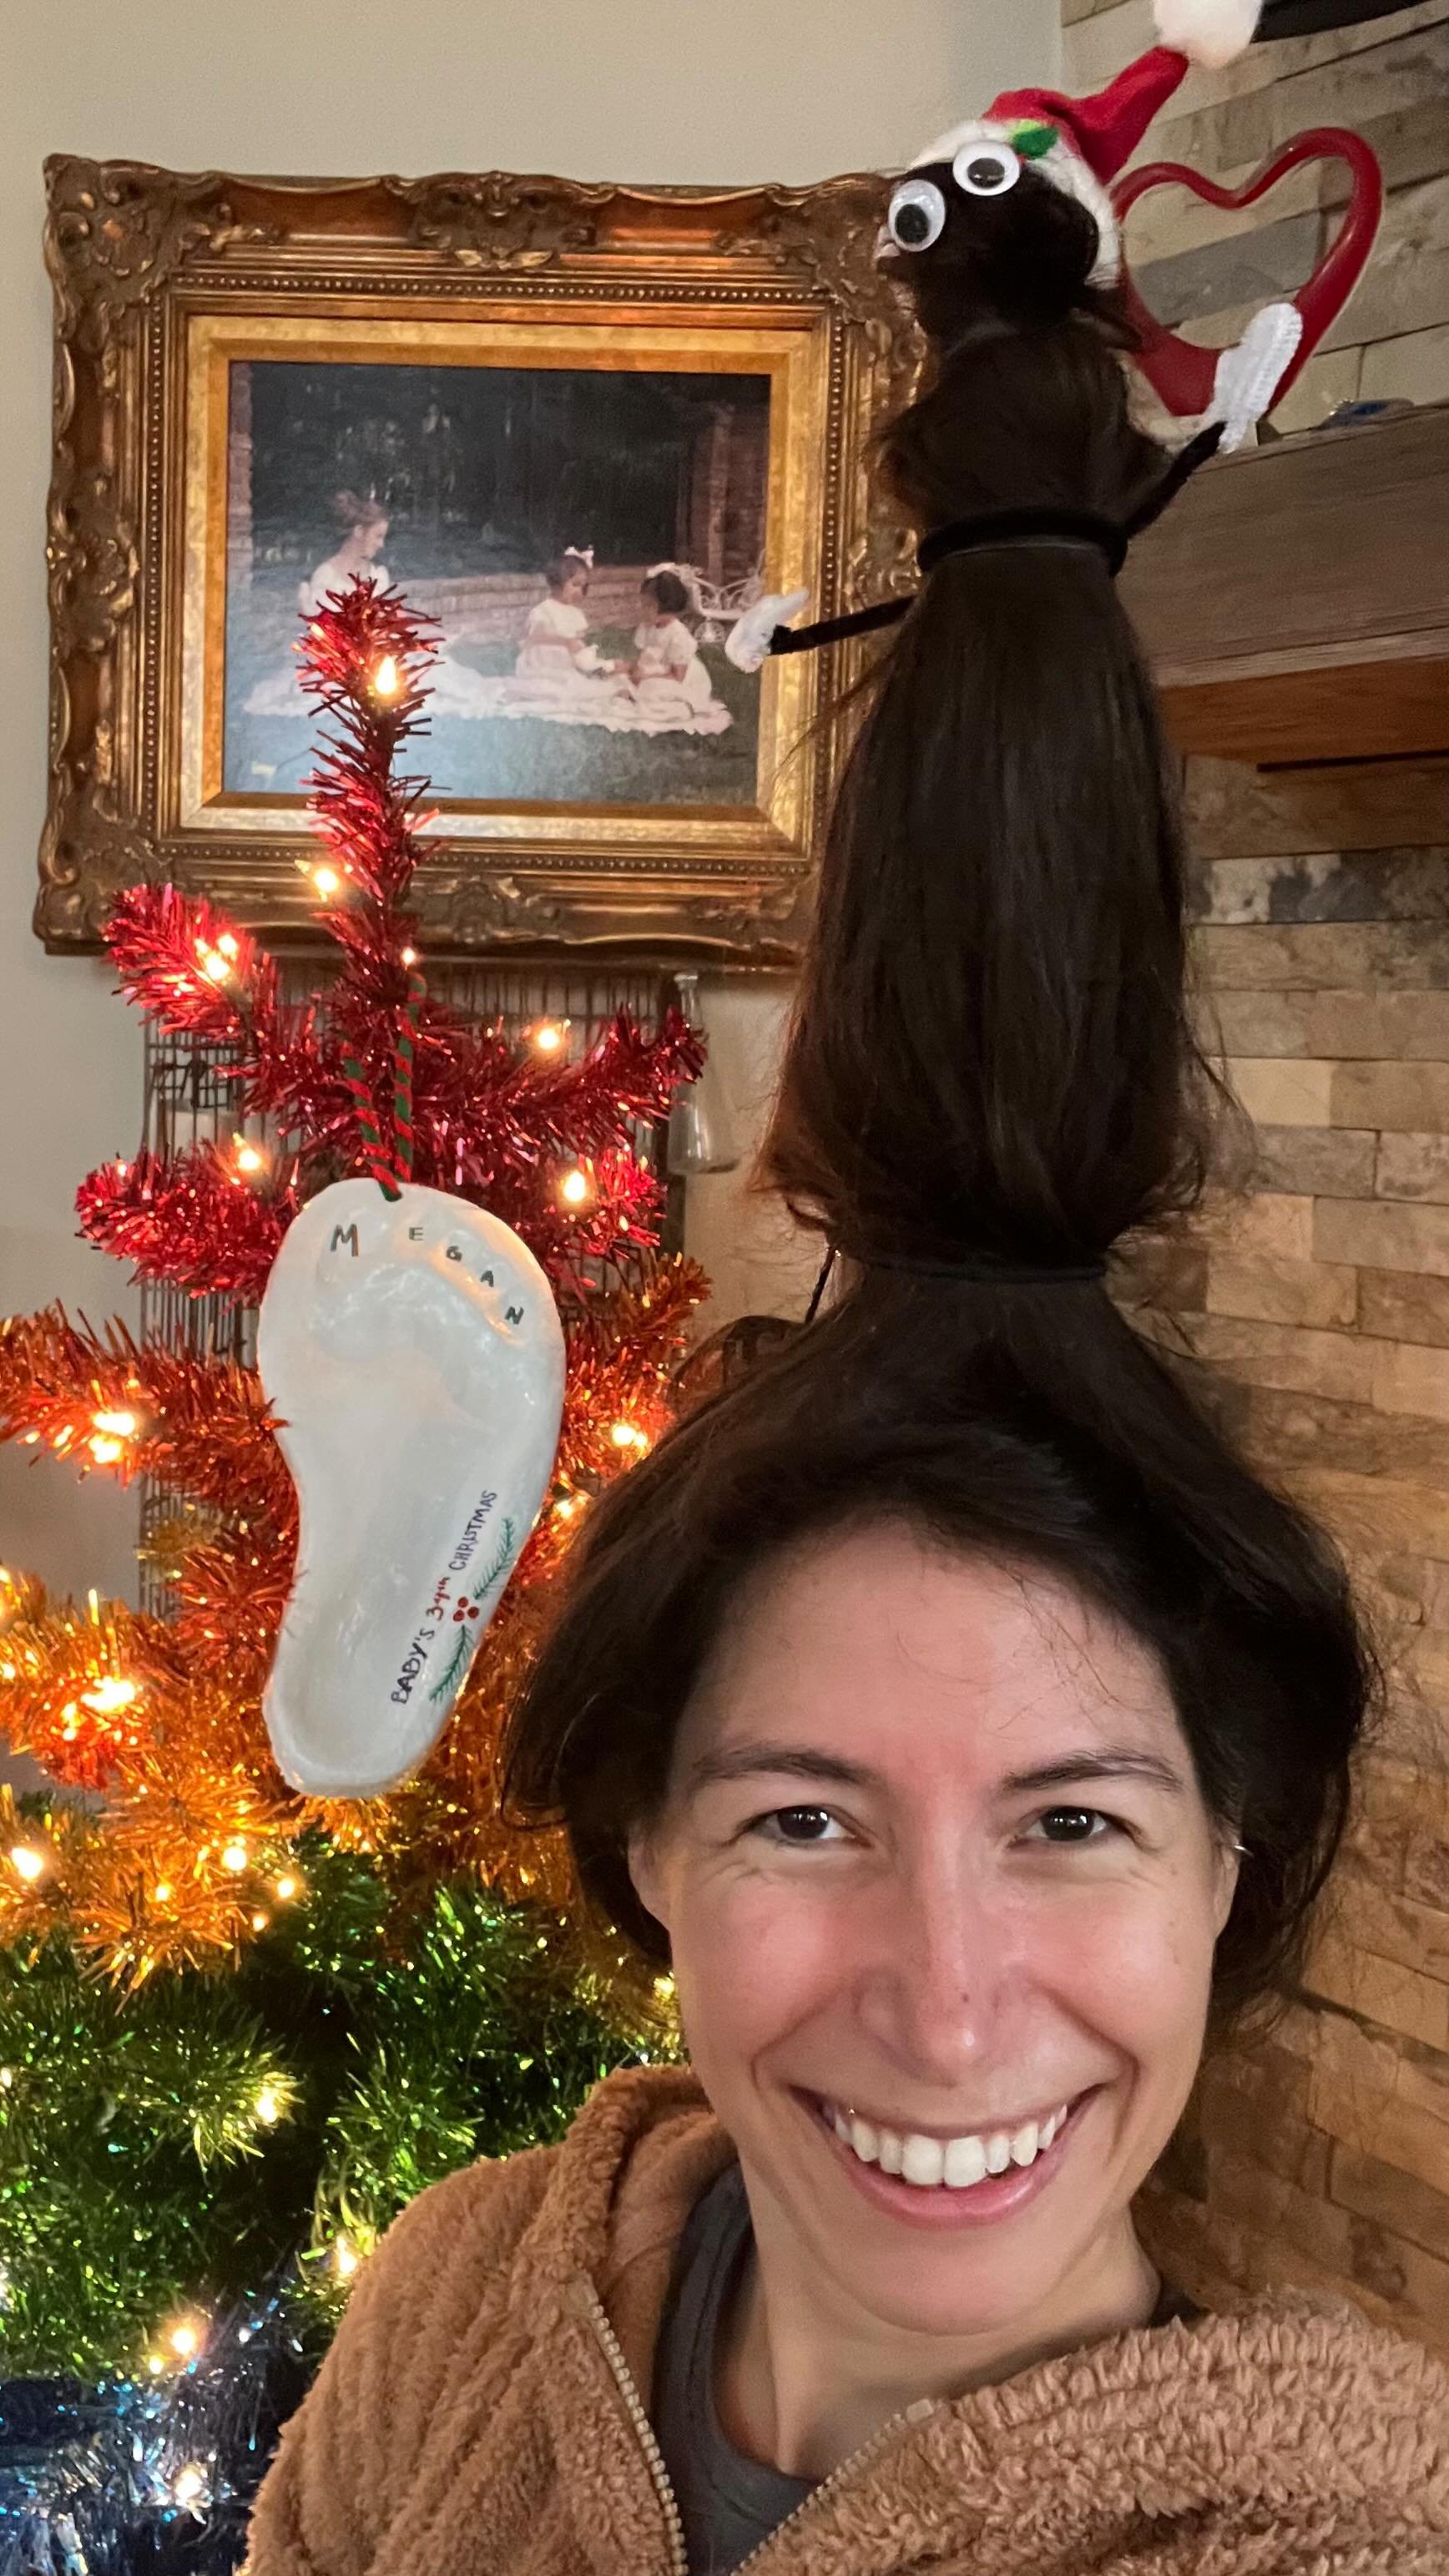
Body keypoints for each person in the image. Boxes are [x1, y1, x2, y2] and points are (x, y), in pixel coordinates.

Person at [243, 7, 1449, 2569]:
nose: (945, 1998)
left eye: (1074, 1817)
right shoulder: (452, 2303)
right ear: (648, 1838)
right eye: (801, 1809)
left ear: (1229, 1862)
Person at [621, 565, 731, 735]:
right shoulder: (648, 627)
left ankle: (683, 707)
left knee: (651, 688)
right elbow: (644, 658)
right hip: (656, 672)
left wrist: (646, 677)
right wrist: (633, 671)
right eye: (642, 604)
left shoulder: (677, 635)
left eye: (647, 605)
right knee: (623, 680)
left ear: (665, 608)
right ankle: (641, 698)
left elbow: (677, 676)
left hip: (681, 680)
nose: (642, 609)